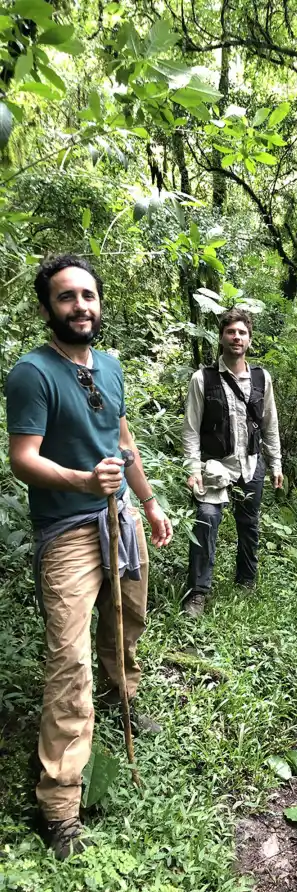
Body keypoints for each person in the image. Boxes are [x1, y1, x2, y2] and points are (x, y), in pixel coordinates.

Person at [4, 254, 173, 860]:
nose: (81, 306)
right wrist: (80, 483)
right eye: (68, 297)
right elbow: (22, 456)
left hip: (120, 519)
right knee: (68, 659)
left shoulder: (111, 365)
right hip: (68, 529)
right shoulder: (31, 373)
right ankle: (59, 802)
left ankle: (123, 694)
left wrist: (149, 504)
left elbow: (122, 442)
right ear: (47, 306)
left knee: (126, 621)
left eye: (89, 296)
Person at [181, 308, 283, 616]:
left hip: (252, 465)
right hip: (215, 468)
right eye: (231, 332)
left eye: (242, 332)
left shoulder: (261, 378)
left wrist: (276, 463)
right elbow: (190, 428)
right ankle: (197, 593)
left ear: (250, 340)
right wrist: (192, 469)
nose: (236, 337)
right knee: (206, 520)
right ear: (221, 337)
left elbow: (270, 425)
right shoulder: (203, 379)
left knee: (249, 525)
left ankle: (246, 581)